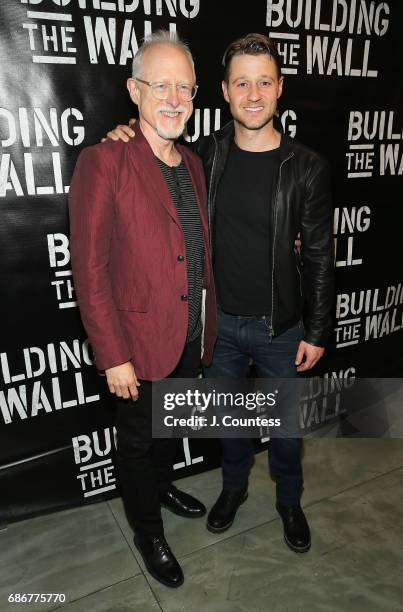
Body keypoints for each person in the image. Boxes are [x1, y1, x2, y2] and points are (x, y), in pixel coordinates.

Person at [106, 33, 334, 554]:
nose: (253, 94)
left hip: (282, 328)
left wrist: (318, 329)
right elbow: (149, 152)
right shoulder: (203, 155)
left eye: (264, 82)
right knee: (230, 425)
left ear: (280, 89)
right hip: (220, 326)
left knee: (285, 432)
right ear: (225, 93)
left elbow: (320, 255)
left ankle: (289, 502)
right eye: (241, 83)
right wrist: (122, 132)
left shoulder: (308, 168)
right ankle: (232, 491)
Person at [69, 30, 217, 588]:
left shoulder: (195, 165)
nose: (175, 98)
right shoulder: (104, 161)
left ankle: (160, 486)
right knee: (136, 439)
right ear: (135, 90)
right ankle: (147, 529)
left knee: (164, 426)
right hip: (135, 344)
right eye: (161, 85)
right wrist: (112, 356)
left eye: (185, 87)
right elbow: (90, 270)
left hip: (188, 333)